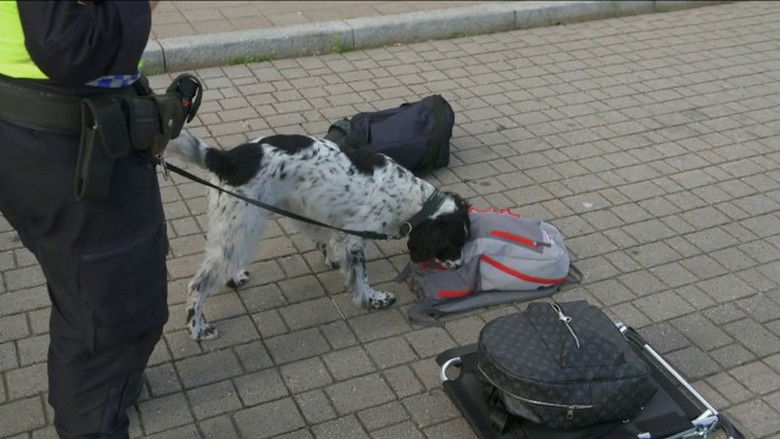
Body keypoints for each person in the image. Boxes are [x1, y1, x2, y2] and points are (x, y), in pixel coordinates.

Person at [0, 1, 170, 437]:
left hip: (50, 129)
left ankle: (116, 386)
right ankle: (96, 406)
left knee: (90, 294)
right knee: (110, 320)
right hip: (63, 136)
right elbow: (66, 44)